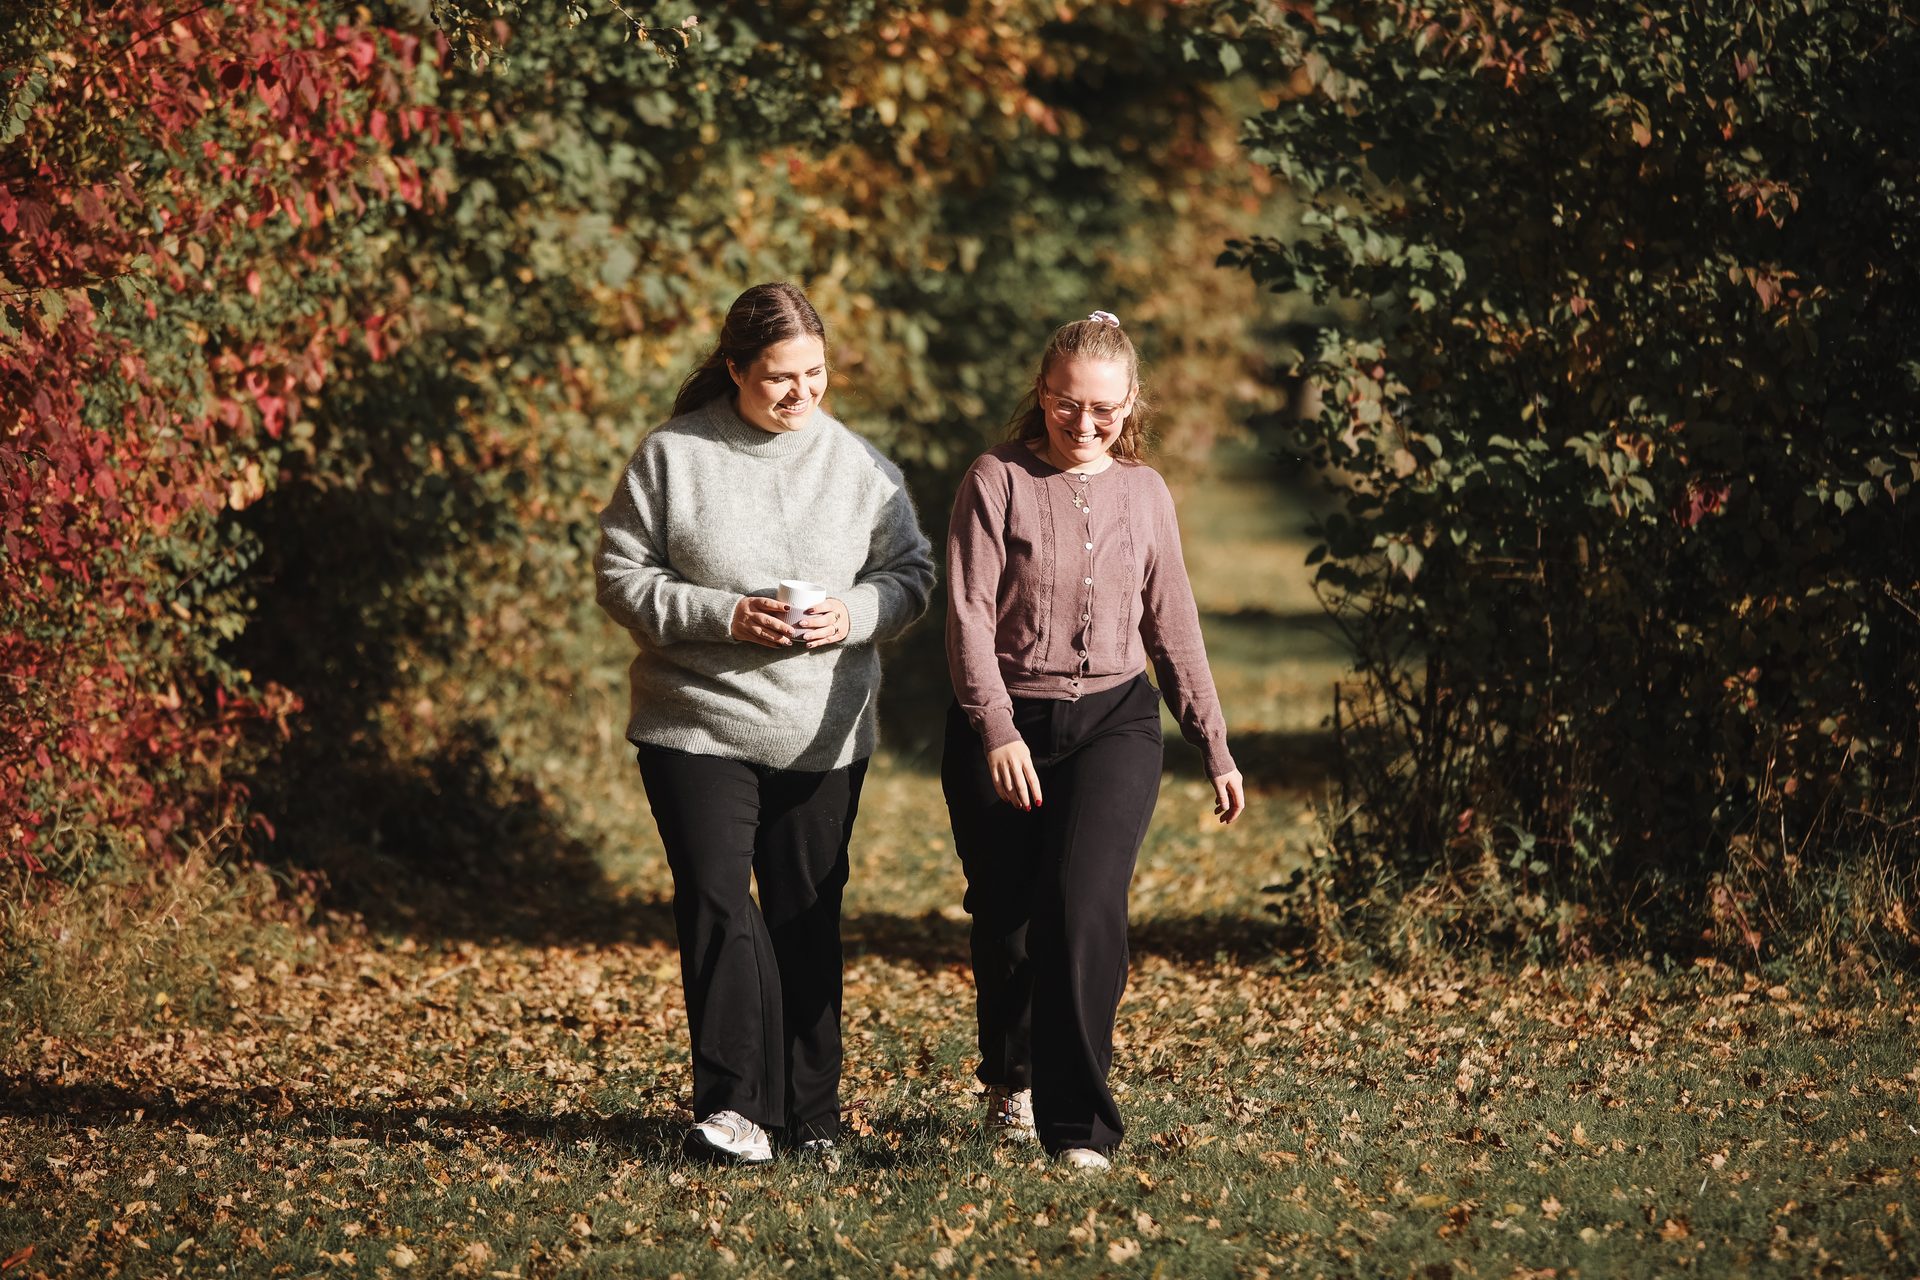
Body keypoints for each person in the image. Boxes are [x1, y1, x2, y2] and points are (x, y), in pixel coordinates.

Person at [595, 282, 935, 1164]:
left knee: (804, 916)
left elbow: (913, 576)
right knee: (715, 901)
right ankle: (734, 1109)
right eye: (779, 378)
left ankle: (813, 1118)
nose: (801, 394)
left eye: (815, 374)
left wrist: (854, 615)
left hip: (822, 732)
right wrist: (723, 616)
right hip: (695, 721)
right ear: (736, 369)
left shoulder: (859, 467)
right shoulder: (673, 456)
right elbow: (620, 578)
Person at [941, 310, 1247, 1171]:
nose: (1083, 423)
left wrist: (1212, 741)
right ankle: (1011, 1078)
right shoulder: (995, 479)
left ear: (1131, 405)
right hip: (1004, 723)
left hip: (1114, 719)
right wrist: (996, 728)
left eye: (1103, 410)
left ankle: (1078, 1128)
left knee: (1083, 906)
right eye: (1066, 404)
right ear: (1042, 395)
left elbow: (1172, 621)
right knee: (1006, 917)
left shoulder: (1146, 495)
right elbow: (968, 616)